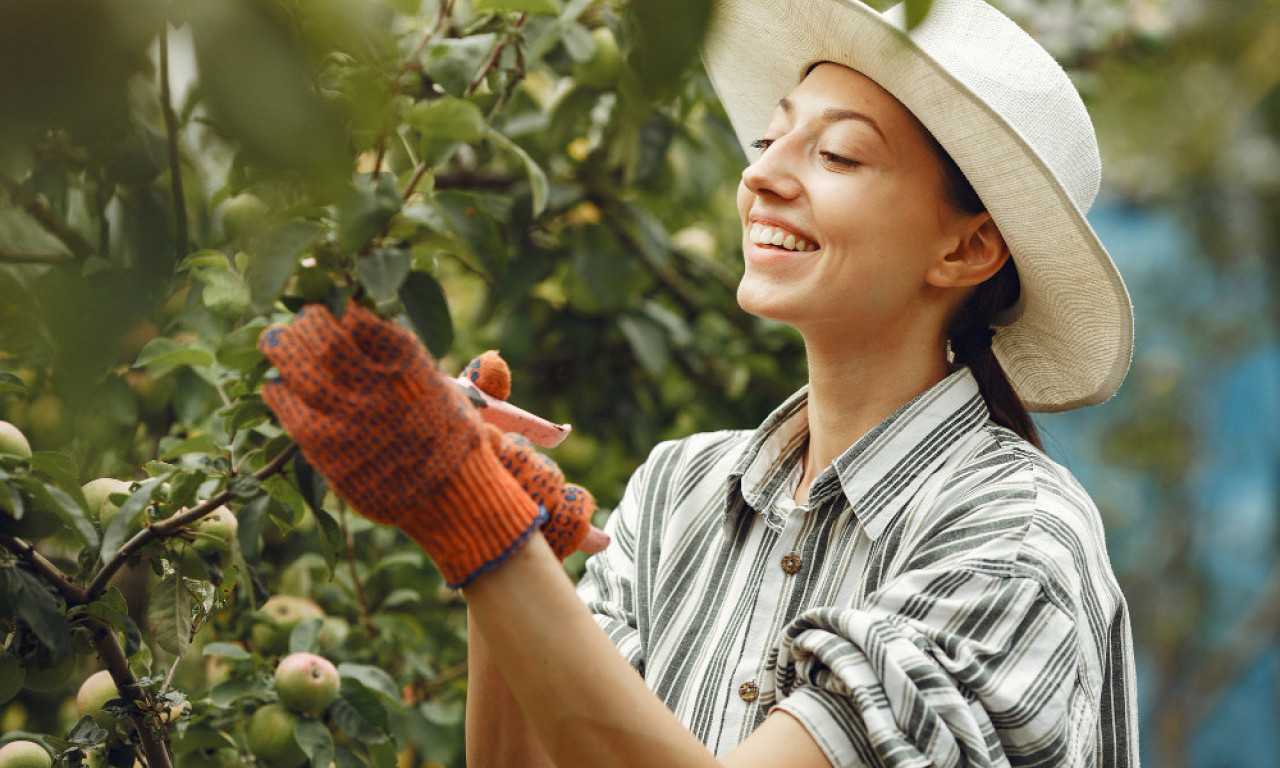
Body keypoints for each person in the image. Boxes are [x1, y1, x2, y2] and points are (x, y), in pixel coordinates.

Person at [258, 0, 1140, 765]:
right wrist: (495, 522)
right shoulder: (678, 492)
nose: (759, 175)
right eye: (768, 139)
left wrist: (479, 524)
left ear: (966, 249)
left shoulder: (1016, 542)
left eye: (836, 156)